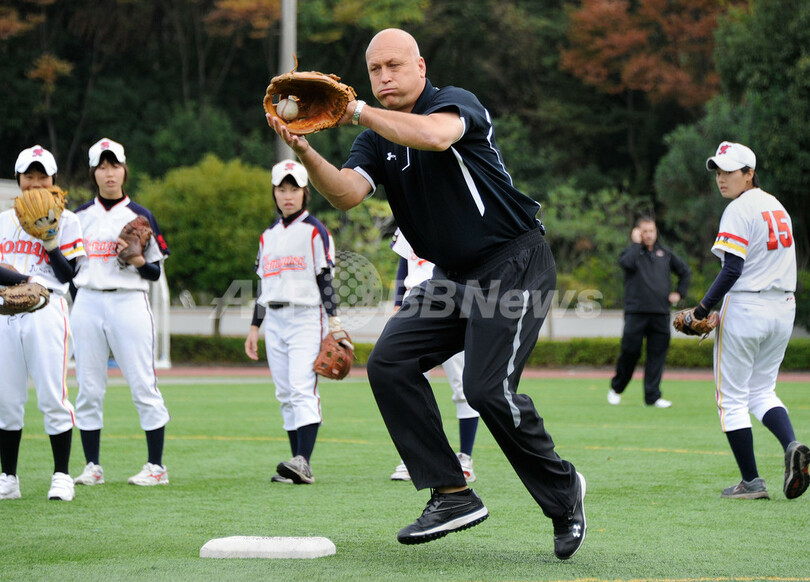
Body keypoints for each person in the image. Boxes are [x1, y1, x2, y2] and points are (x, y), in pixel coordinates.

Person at [268, 28, 586, 559]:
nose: (384, 76)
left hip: (513, 264)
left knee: (487, 391)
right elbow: (346, 193)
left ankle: (563, 492)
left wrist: (358, 112)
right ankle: (452, 492)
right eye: (374, 70)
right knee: (390, 362)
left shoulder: (455, 103)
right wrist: (304, 152)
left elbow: (436, 137)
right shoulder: (374, 138)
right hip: (453, 277)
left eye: (394, 65)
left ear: (420, 65)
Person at [694, 141, 808, 500]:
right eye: (718, 171)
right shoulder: (777, 206)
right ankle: (792, 445)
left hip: (746, 306)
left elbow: (733, 269)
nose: (722, 178)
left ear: (749, 173)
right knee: (762, 390)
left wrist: (701, 309)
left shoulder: (738, 209)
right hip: (783, 307)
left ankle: (752, 482)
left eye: (730, 171)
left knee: (731, 399)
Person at [71, 138, 172, 487]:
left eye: (114, 165)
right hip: (88, 299)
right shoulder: (79, 217)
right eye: (102, 166)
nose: (109, 172)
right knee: (87, 386)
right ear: (93, 173)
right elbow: (70, 271)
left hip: (129, 300)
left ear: (124, 170)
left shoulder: (141, 217)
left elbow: (156, 273)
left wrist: (138, 259)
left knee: (143, 383)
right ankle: (92, 466)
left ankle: (156, 467)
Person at [244, 159, 338, 485]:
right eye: (281, 189)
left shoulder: (315, 231)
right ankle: (297, 464)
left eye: (293, 188)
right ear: (274, 193)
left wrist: (335, 321)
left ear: (304, 192)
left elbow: (324, 278)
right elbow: (263, 286)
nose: (287, 195)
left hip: (307, 317)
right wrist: (255, 327)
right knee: (284, 392)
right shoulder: (267, 236)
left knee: (301, 387)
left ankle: (304, 461)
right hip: (276, 319)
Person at [0, 145, 85, 501]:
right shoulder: (4, 220)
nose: (35, 183)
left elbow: (70, 276)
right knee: (6, 399)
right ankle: (9, 477)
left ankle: (62, 475)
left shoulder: (67, 220)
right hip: (5, 310)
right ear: (19, 180)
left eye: (42, 176)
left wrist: (51, 243)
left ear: (53, 180)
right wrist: (22, 279)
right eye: (29, 176)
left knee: (53, 395)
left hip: (47, 310)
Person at [388, 228, 479, 483]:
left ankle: (465, 457)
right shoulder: (407, 208)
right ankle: (416, 458)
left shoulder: (454, 210)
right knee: (407, 385)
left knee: (463, 386)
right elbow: (404, 262)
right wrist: (397, 304)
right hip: (413, 306)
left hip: (451, 305)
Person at [608, 218, 691, 408]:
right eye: (644, 231)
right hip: (636, 313)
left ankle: (652, 397)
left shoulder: (665, 253)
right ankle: (617, 388)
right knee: (630, 352)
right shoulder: (631, 253)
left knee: (657, 356)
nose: (648, 235)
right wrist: (636, 244)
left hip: (660, 313)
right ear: (637, 233)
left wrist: (679, 293)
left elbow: (685, 272)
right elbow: (626, 263)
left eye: (651, 231)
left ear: (656, 232)